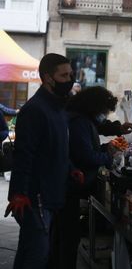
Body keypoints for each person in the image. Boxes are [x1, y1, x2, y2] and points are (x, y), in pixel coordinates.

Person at [4, 53, 83, 269]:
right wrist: (19, 193)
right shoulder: (34, 110)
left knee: (28, 251)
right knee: (38, 256)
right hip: (34, 197)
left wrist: (71, 169)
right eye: (64, 75)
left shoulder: (57, 108)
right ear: (48, 78)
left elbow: (55, 148)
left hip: (52, 193)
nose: (70, 80)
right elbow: (24, 154)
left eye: (71, 74)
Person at [49, 86, 118, 269]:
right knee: (68, 235)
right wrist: (109, 157)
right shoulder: (79, 122)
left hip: (66, 184)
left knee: (61, 234)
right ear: (94, 107)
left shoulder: (80, 119)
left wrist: (104, 149)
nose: (104, 114)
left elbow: (86, 150)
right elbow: (85, 156)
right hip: (69, 186)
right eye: (104, 110)